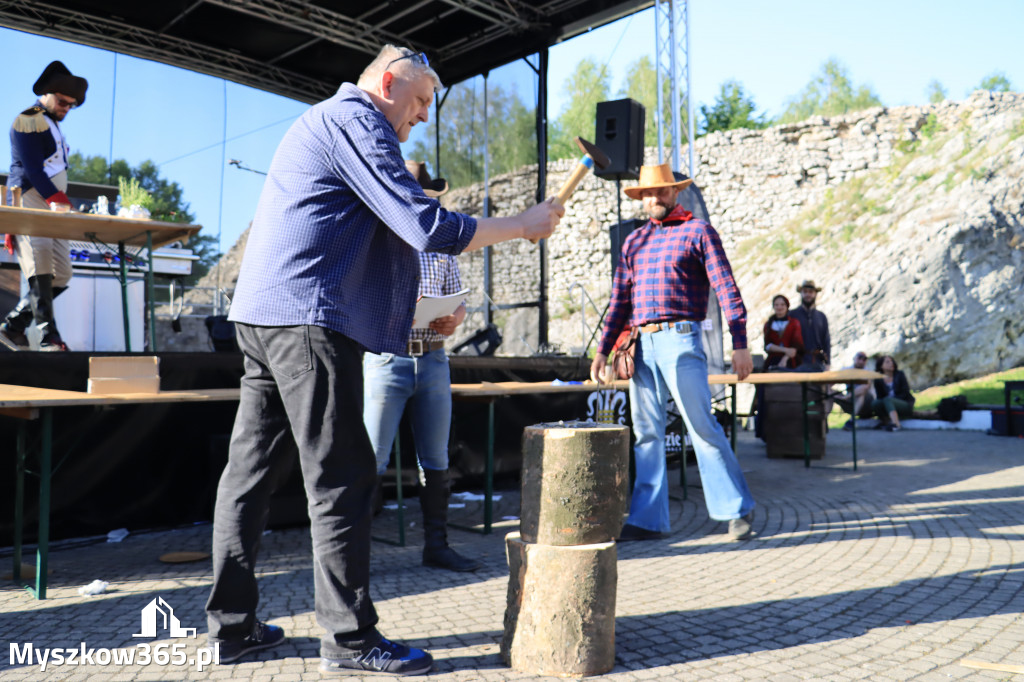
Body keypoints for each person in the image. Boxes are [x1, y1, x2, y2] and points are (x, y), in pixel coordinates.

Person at [204, 45, 562, 677]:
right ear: (390, 82)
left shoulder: (326, 122)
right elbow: (423, 225)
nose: (424, 116)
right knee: (342, 478)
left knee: (249, 475)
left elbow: (372, 238)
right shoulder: (357, 120)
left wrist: (419, 314)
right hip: (306, 318)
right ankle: (348, 639)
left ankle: (231, 630)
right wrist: (522, 224)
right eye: (422, 100)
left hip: (262, 315)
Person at [590, 163, 756, 542]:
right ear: (640, 198)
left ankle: (736, 509)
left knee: (701, 425)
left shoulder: (698, 232)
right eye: (648, 193)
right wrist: (603, 350)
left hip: (681, 337)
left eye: (662, 191)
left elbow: (726, 288)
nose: (655, 198)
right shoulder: (633, 242)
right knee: (646, 433)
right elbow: (618, 302)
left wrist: (740, 344)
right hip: (639, 344)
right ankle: (648, 520)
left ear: (675, 192)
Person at [362, 160, 480, 573]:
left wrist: (456, 317)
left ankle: (437, 546)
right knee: (370, 460)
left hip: (432, 356)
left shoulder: (441, 242)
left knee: (436, 458)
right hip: (387, 356)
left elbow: (459, 299)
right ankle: (352, 557)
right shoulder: (375, 235)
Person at [0, 61, 86, 352]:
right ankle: (50, 337)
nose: (66, 108)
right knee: (40, 267)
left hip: (51, 201)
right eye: (63, 102)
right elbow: (33, 168)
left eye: (71, 105)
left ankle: (12, 325)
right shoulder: (28, 118)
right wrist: (57, 199)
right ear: (47, 94)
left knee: (61, 273)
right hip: (32, 197)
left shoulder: (53, 125)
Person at [789, 279, 830, 370]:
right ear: (801, 293)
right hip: (797, 362)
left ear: (815, 294)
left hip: (817, 362)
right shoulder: (792, 315)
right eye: (805, 292)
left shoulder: (821, 316)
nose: (808, 294)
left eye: (811, 292)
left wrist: (828, 363)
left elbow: (826, 341)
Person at [871, 355, 914, 431]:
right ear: (881, 366)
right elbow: (879, 397)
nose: (891, 363)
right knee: (875, 403)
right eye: (887, 362)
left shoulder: (900, 374)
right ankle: (885, 421)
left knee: (888, 400)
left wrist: (891, 400)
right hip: (888, 404)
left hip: (904, 403)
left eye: (891, 361)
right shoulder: (878, 379)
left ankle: (896, 424)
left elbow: (905, 393)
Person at [763, 294, 803, 369]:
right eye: (776, 305)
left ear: (787, 306)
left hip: (791, 361)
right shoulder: (768, 324)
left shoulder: (794, 323)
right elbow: (767, 346)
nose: (779, 307)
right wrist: (785, 350)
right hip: (772, 361)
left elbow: (796, 345)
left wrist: (784, 359)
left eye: (782, 304)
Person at [840, 351, 875, 431]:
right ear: (854, 358)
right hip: (850, 400)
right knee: (829, 392)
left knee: (862, 391)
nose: (862, 361)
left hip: (868, 401)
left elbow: (866, 386)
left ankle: (852, 420)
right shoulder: (846, 370)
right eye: (859, 358)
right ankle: (822, 420)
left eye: (864, 359)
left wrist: (847, 396)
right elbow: (832, 381)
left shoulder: (868, 372)